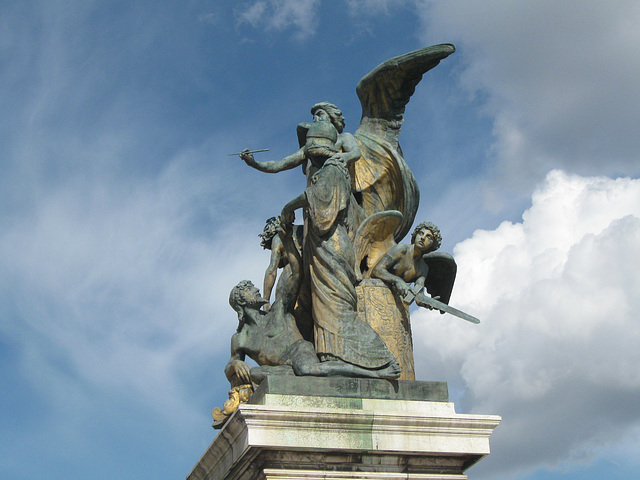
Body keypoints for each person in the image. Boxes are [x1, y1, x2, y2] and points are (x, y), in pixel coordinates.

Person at [224, 219, 400, 387]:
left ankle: (374, 374)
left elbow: (296, 273)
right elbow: (231, 364)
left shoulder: (277, 310)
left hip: (298, 352)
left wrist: (288, 242)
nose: (255, 289)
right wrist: (235, 366)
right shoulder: (240, 339)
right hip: (282, 369)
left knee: (307, 369)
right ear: (240, 301)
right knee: (255, 374)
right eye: (248, 289)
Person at [371, 221, 443, 306]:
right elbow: (376, 270)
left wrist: (426, 302)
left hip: (394, 303)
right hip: (375, 292)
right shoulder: (401, 249)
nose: (423, 238)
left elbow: (418, 295)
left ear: (432, 245)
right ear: (415, 235)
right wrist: (397, 280)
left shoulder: (423, 268)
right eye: (421, 233)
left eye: (429, 237)